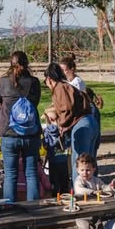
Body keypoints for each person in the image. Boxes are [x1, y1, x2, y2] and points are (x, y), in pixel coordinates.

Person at [0, 51, 42, 202]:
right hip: (30, 133)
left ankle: (10, 210)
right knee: (31, 173)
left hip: (9, 132)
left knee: (10, 173)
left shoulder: (4, 81)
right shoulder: (34, 82)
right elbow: (35, 104)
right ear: (27, 63)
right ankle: (34, 209)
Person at [44, 62, 95, 191]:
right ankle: (92, 191)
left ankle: (78, 195)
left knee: (79, 164)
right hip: (90, 122)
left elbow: (67, 109)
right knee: (89, 163)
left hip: (82, 126)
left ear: (49, 79)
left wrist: (59, 123)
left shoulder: (60, 88)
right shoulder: (65, 86)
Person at [73, 152, 113, 229]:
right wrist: (93, 192)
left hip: (95, 213)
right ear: (77, 170)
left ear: (93, 170)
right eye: (82, 170)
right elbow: (79, 190)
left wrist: (111, 186)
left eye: (88, 170)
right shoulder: (79, 181)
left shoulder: (96, 180)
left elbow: (104, 188)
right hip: (82, 214)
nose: (85, 173)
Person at [42, 108, 71, 194]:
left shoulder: (47, 131)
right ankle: (65, 193)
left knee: (54, 180)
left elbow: (45, 143)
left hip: (53, 159)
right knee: (64, 179)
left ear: (49, 119)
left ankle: (55, 194)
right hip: (63, 159)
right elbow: (68, 142)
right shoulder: (64, 129)